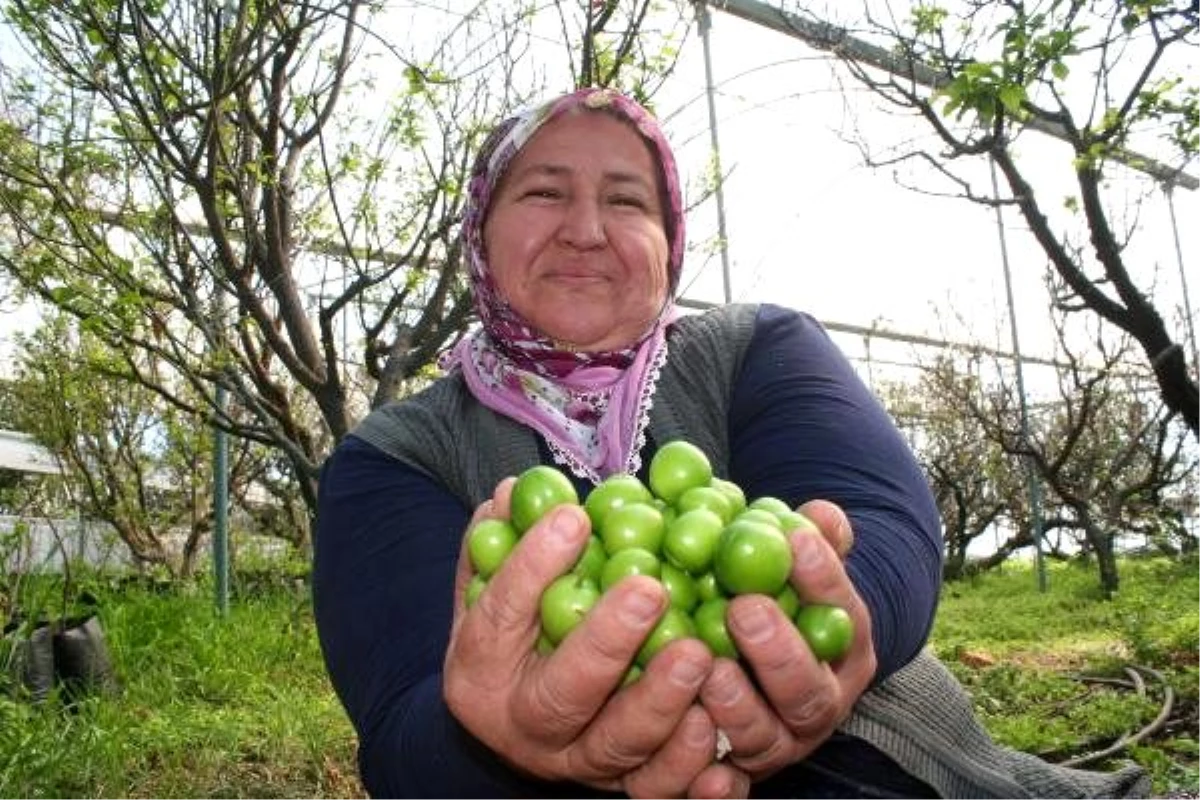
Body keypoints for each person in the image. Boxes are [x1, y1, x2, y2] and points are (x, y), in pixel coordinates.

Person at [312, 88, 1150, 799]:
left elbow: (884, 525)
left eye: (628, 200)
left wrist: (813, 639)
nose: (586, 229)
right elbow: (403, 725)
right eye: (542, 193)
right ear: (480, 231)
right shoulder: (397, 453)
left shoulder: (756, 347)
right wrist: (489, 735)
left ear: (669, 240)